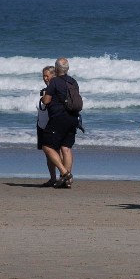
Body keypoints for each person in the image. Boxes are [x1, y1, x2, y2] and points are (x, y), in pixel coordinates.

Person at [41, 57, 80, 189]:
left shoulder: (55, 81)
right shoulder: (73, 81)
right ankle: (66, 181)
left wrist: (43, 97)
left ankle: (65, 174)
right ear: (67, 69)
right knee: (66, 148)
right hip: (74, 118)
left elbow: (46, 101)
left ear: (57, 69)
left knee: (47, 146)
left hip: (59, 117)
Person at [35, 65, 58, 187]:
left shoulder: (56, 91)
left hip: (52, 126)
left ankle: (63, 175)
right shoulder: (45, 90)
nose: (45, 78)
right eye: (43, 76)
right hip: (42, 125)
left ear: (53, 76)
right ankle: (53, 178)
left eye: (47, 76)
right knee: (48, 153)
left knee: (55, 152)